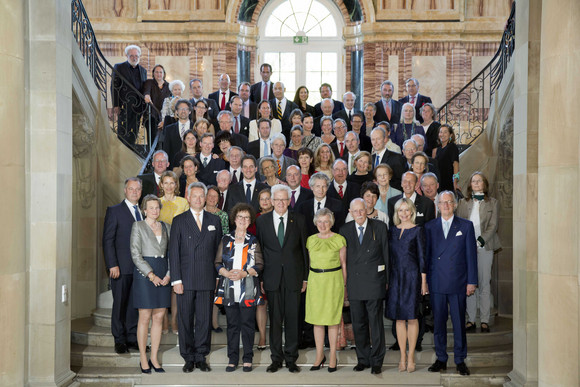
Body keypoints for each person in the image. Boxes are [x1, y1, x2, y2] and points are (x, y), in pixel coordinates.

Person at [169, 182, 224, 373]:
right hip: (185, 279)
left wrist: (218, 277)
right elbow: (173, 253)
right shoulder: (179, 220)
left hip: (207, 278)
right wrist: (176, 280)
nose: (199, 199)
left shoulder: (214, 220)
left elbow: (219, 252)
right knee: (185, 319)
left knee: (204, 320)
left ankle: (201, 356)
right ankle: (188, 356)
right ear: (189, 198)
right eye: (195, 196)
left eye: (202, 196)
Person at [255, 185, 309, 373]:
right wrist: (260, 278)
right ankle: (276, 358)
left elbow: (304, 250)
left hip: (294, 277)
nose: (280, 203)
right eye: (276, 199)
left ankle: (291, 359)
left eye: (283, 199)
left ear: (288, 201)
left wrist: (305, 278)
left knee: (293, 320)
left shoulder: (299, 220)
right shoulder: (262, 221)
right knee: (275, 320)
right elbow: (259, 251)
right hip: (271, 278)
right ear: (271, 201)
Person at [425, 191, 477, 376]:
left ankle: (460, 359)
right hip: (437, 282)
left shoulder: (466, 226)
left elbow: (471, 256)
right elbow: (427, 257)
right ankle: (441, 358)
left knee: (458, 324)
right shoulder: (430, 227)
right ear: (437, 205)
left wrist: (472, 281)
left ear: (455, 205)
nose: (446, 205)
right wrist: (425, 282)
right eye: (442, 202)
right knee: (438, 324)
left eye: (449, 202)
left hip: (458, 282)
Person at [339, 198, 389, 375]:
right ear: (350, 213)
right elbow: (342, 261)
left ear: (366, 210)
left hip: (375, 282)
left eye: (361, 210)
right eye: (355, 211)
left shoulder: (380, 227)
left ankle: (377, 360)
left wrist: (387, 281)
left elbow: (386, 255)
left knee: (375, 324)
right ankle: (363, 359)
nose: (359, 213)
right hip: (354, 284)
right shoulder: (344, 231)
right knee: (358, 324)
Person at [214, 203, 263, 372]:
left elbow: (259, 264)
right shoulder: (226, 239)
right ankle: (232, 359)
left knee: (248, 325)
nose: (243, 220)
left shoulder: (253, 240)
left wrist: (244, 273)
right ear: (235, 219)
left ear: (250, 221)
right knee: (233, 325)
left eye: (246, 217)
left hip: (247, 288)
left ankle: (248, 358)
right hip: (229, 288)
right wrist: (226, 274)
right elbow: (217, 262)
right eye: (240, 217)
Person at [385, 198, 427, 373]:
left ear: (411, 211)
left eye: (406, 210)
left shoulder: (418, 230)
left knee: (412, 317)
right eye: (400, 210)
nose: (403, 213)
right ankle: (402, 356)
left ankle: (411, 357)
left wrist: (424, 282)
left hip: (412, 277)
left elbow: (422, 258)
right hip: (395, 278)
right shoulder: (392, 231)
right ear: (396, 213)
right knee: (399, 319)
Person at [130, 194, 171, 373]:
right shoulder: (138, 226)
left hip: (164, 274)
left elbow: (172, 254)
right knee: (145, 317)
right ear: (144, 210)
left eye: (157, 207)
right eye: (151, 208)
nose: (155, 211)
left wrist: (169, 275)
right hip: (145, 274)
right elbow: (135, 255)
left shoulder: (167, 227)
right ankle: (143, 358)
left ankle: (154, 357)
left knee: (159, 317)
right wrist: (151, 275)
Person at [456, 172, 502, 334]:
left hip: (484, 247)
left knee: (484, 282)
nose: (476, 183)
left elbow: (493, 225)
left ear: (484, 184)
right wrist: (468, 243)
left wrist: (480, 241)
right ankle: (470, 319)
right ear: (470, 184)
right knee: (470, 283)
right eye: (473, 181)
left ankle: (484, 319)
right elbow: (459, 224)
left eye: (479, 181)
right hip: (466, 248)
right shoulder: (462, 202)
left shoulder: (493, 203)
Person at [102, 177, 142, 354]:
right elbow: (107, 240)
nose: (134, 192)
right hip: (120, 267)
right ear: (125, 190)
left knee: (134, 305)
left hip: (139, 269)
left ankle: (132, 338)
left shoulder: (143, 212)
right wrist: (112, 264)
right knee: (120, 304)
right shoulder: (114, 211)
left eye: (137, 189)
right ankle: (119, 339)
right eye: (131, 189)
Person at [305, 208, 347, 373]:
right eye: (320, 221)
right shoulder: (310, 240)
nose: (323, 225)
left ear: (331, 222)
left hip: (333, 281)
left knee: (332, 321)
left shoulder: (339, 239)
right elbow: (309, 263)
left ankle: (332, 358)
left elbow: (344, 264)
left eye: (326, 221)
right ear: (316, 222)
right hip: (315, 282)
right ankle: (319, 355)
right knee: (317, 320)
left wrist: (345, 286)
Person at [157, 171, 189, 335]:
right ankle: (163, 321)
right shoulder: (156, 202)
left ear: (176, 185)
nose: (169, 186)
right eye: (166, 183)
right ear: (161, 185)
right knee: (162, 286)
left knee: (176, 284)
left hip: (179, 248)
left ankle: (175, 320)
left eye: (172, 183)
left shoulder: (183, 202)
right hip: (159, 249)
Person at [109, 45, 147, 147]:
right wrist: (116, 104)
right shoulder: (119, 67)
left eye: (136, 56)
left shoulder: (143, 71)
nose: (134, 58)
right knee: (123, 131)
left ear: (139, 56)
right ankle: (122, 152)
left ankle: (130, 151)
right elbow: (114, 86)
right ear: (126, 55)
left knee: (134, 131)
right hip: (124, 105)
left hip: (138, 107)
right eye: (131, 56)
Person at [163, 99, 194, 169]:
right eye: (180, 109)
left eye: (186, 109)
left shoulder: (195, 127)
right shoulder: (169, 129)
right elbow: (166, 149)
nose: (183, 111)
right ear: (176, 111)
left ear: (189, 111)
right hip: (174, 167)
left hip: (192, 167)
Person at [142, 64, 170, 138]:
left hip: (164, 117)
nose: (159, 74)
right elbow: (146, 91)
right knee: (152, 138)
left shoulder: (168, 86)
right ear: (153, 73)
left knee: (164, 139)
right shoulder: (149, 82)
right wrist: (147, 95)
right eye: (156, 72)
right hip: (151, 115)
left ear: (164, 74)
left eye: (161, 72)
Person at [433, 124, 460, 192]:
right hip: (438, 182)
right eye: (441, 132)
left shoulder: (452, 147)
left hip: (448, 182)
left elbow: (455, 165)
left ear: (450, 135)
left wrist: (455, 182)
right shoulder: (437, 149)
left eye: (445, 132)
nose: (442, 134)